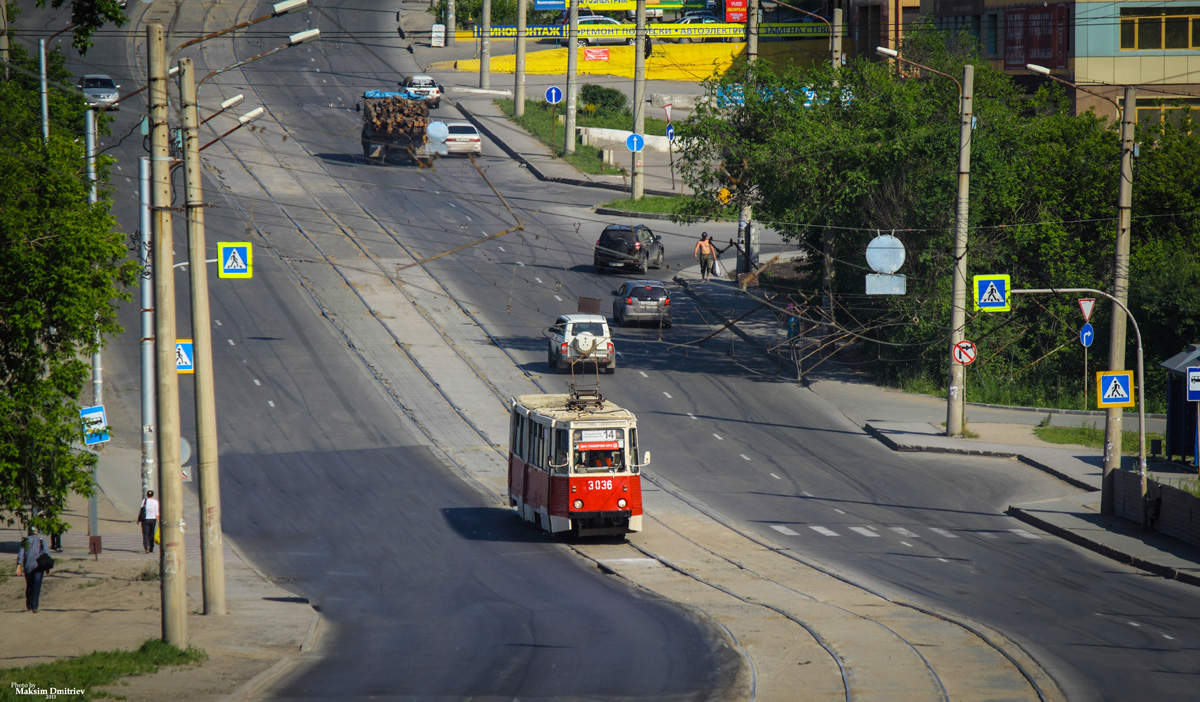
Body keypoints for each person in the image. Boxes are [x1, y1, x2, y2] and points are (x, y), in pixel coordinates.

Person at [16, 527, 48, 613]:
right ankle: (35, 606)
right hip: (39, 567)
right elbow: (46, 553)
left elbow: (21, 553)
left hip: (28, 567)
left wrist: (19, 565)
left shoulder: (25, 541)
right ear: (37, 532)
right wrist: (47, 567)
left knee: (29, 586)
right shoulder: (41, 541)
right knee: (36, 586)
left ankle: (29, 604)